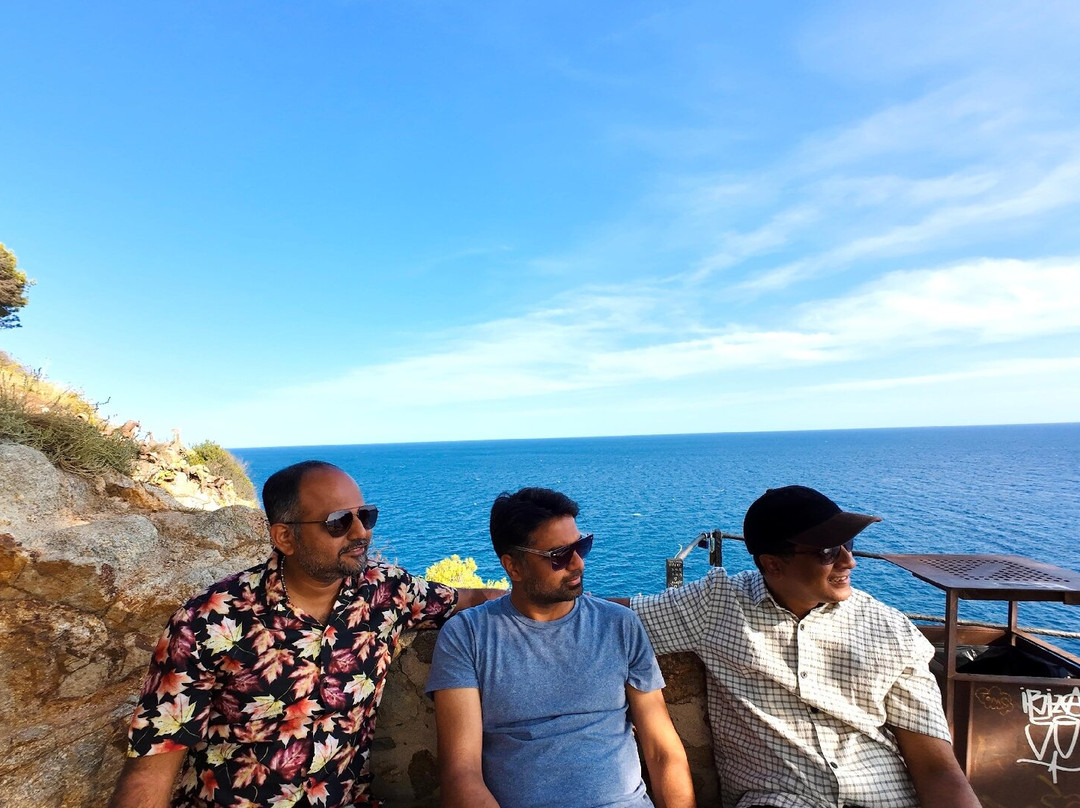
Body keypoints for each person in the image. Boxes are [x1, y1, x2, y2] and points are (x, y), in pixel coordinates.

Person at [109, 460, 503, 808]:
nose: (360, 533)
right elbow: (150, 774)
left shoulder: (385, 592)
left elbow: (472, 599)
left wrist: (540, 603)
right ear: (284, 537)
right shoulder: (209, 621)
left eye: (365, 516)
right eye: (338, 522)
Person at [625, 485, 982, 808]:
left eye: (848, 544)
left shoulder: (892, 630)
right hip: (780, 799)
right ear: (773, 564)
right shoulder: (717, 604)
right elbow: (610, 620)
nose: (849, 561)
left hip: (885, 797)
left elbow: (937, 768)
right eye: (828, 551)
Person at [427, 487, 696, 808]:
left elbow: (663, 751)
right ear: (513, 567)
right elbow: (461, 774)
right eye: (560, 555)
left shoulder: (619, 625)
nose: (578, 563)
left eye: (581, 546)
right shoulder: (467, 636)